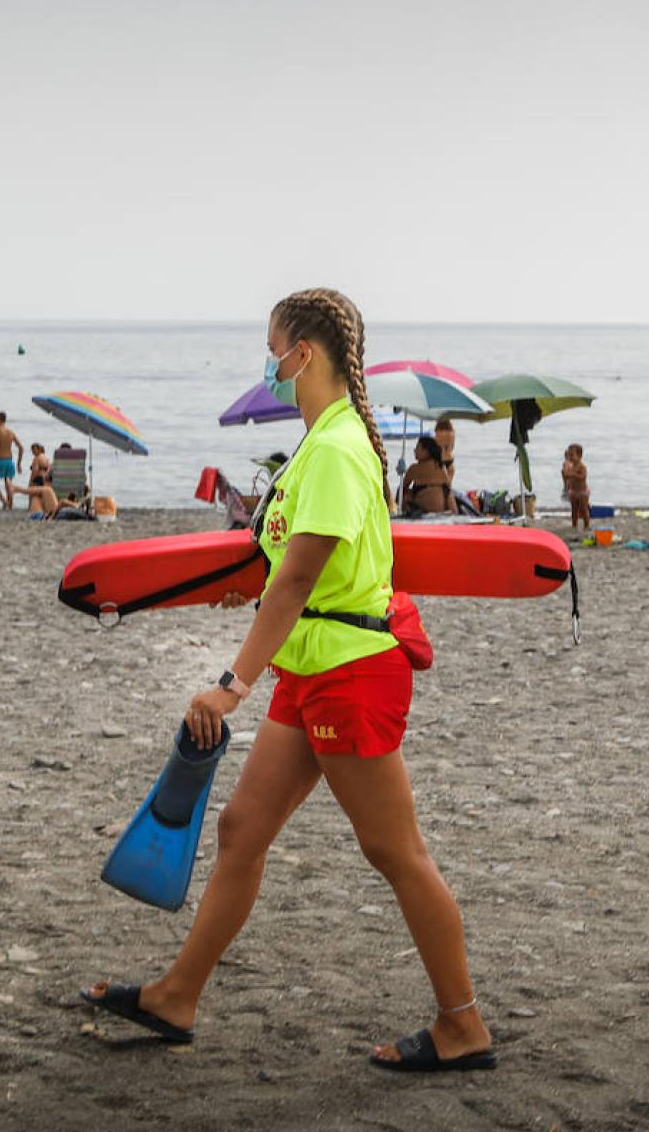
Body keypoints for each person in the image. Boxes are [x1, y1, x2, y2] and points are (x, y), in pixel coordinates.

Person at [82, 287, 494, 1073]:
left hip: (349, 673)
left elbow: (301, 576)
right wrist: (253, 591)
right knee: (242, 828)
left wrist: (231, 684)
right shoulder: (321, 442)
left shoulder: (337, 448)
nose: (268, 363)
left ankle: (463, 1024)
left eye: (273, 348)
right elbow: (293, 566)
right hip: (309, 669)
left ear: (303, 353)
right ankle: (178, 995)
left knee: (395, 851)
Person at [399, 437, 454, 516]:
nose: (414, 451)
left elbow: (402, 489)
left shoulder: (414, 468)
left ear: (427, 452)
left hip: (424, 510)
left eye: (418, 448)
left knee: (405, 492)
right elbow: (448, 487)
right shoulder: (441, 467)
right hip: (444, 508)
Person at [0, 412, 22, 508]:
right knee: (8, 485)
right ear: (5, 420)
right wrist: (19, 464)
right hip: (10, 462)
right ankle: (9, 506)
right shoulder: (11, 432)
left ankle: (4, 501)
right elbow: (21, 448)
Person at [560, 444, 591, 529]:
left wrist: (573, 475)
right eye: (568, 455)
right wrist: (564, 472)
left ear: (579, 456)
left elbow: (583, 477)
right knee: (574, 510)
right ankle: (574, 524)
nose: (570, 458)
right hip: (573, 491)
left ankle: (586, 524)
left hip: (582, 492)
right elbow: (565, 476)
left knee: (584, 509)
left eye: (572, 455)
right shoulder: (570, 466)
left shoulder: (582, 466)